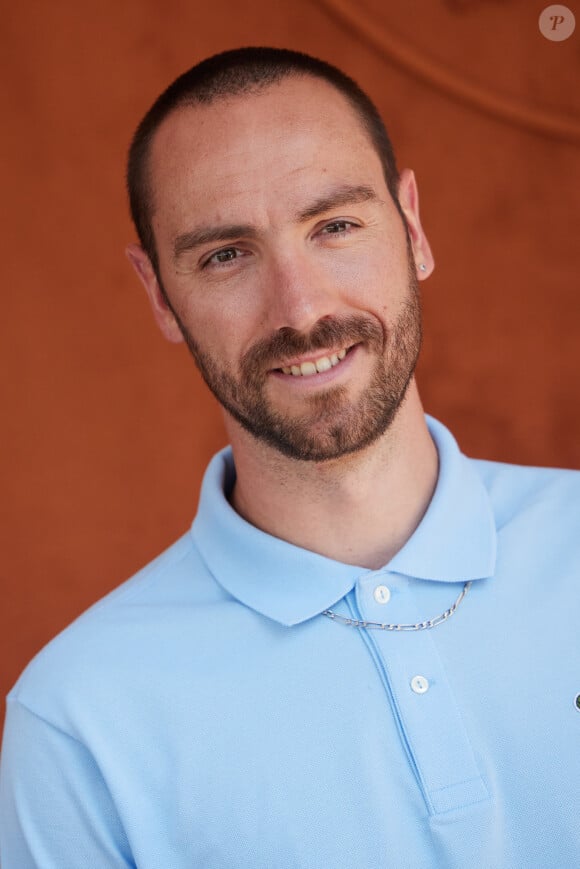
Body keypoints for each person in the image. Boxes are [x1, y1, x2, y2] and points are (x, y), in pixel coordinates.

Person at [0, 46, 578, 869]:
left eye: (335, 226)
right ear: (159, 295)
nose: (301, 308)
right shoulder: (77, 722)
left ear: (412, 228)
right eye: (226, 255)